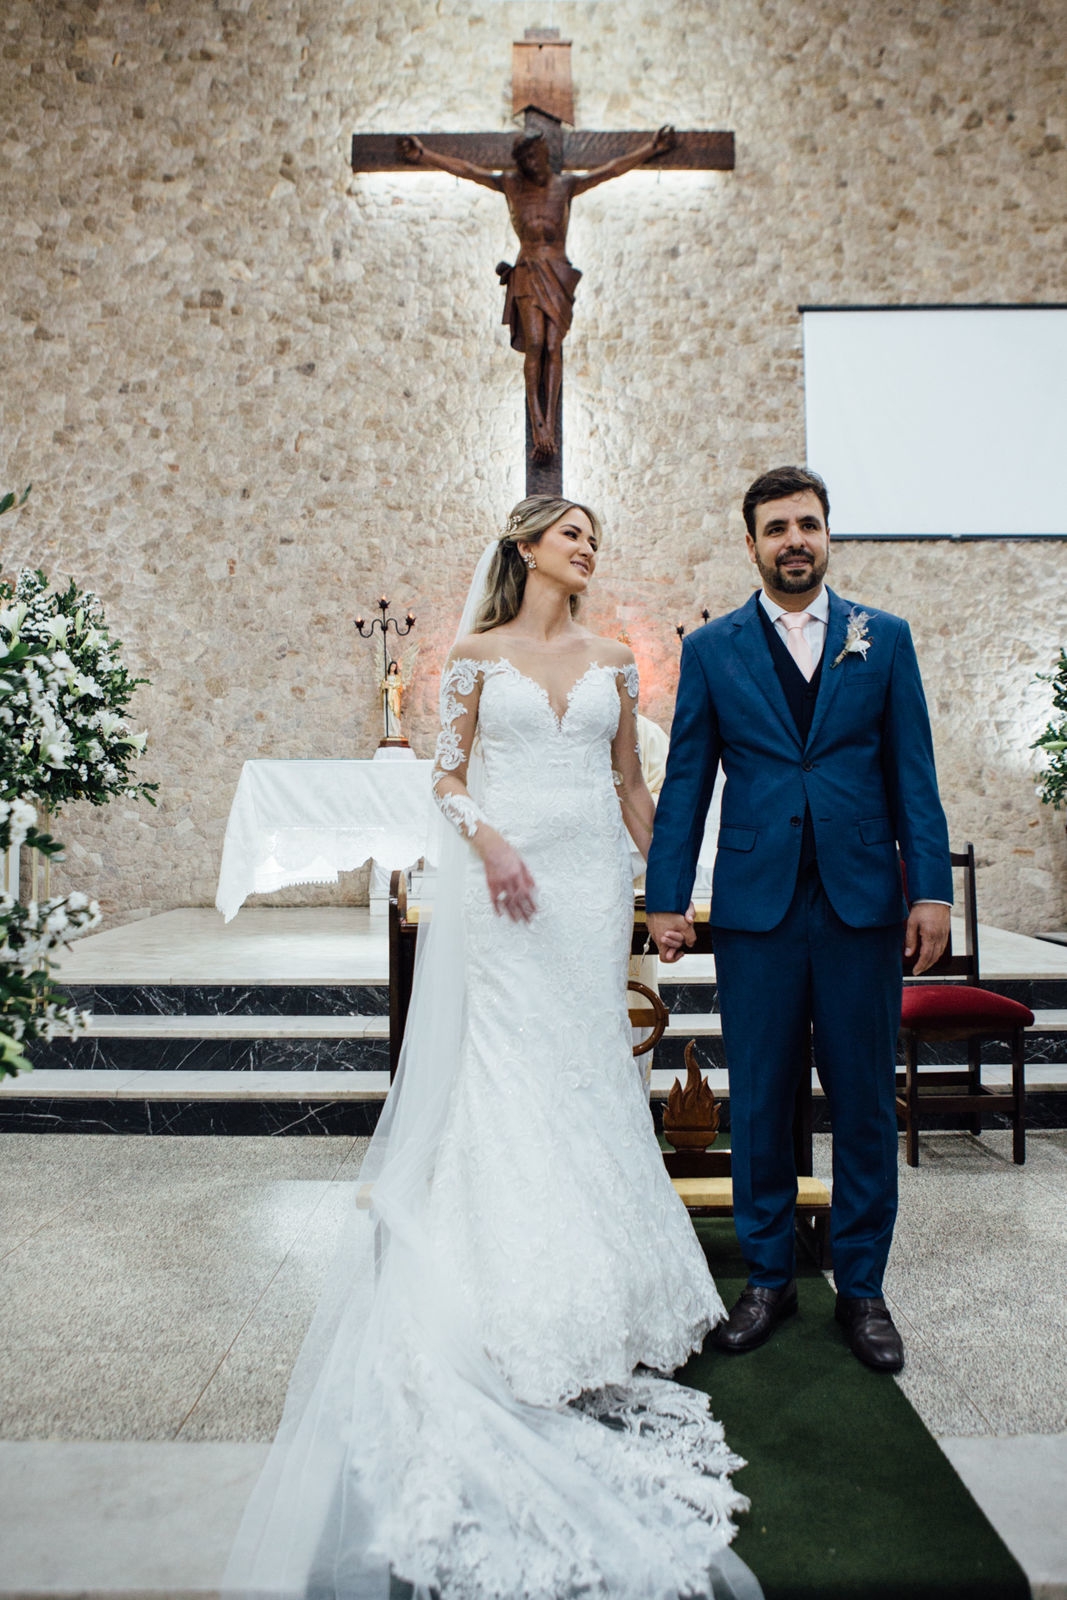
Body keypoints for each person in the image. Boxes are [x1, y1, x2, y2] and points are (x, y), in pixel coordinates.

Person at [224, 497, 762, 1600]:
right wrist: (493, 844)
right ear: (526, 548)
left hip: (590, 885)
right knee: (511, 1071)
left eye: (593, 539)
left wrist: (667, 891)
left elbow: (631, 786)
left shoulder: (614, 662)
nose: (587, 548)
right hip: (506, 889)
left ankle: (606, 1288)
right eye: (572, 535)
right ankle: (514, 1289)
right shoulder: (472, 654)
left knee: (590, 1067)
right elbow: (444, 775)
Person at [645, 466, 952, 1375]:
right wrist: (666, 897)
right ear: (750, 544)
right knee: (761, 1096)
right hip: (756, 907)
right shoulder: (712, 650)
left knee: (862, 1100)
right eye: (775, 527)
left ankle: (861, 1289)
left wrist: (929, 892)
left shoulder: (883, 638)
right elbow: (686, 783)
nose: (793, 541)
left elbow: (913, 773)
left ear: (827, 536)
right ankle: (768, 1279)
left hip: (861, 904)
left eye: (807, 525)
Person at [399, 128, 676, 459]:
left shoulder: (566, 185)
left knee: (553, 346)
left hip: (557, 273)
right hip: (528, 271)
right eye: (524, 158)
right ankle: (539, 427)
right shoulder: (511, 184)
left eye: (534, 155)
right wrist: (423, 155)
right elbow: (468, 170)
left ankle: (549, 426)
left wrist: (651, 148)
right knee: (534, 345)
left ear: (545, 153)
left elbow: (611, 169)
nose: (530, 162)